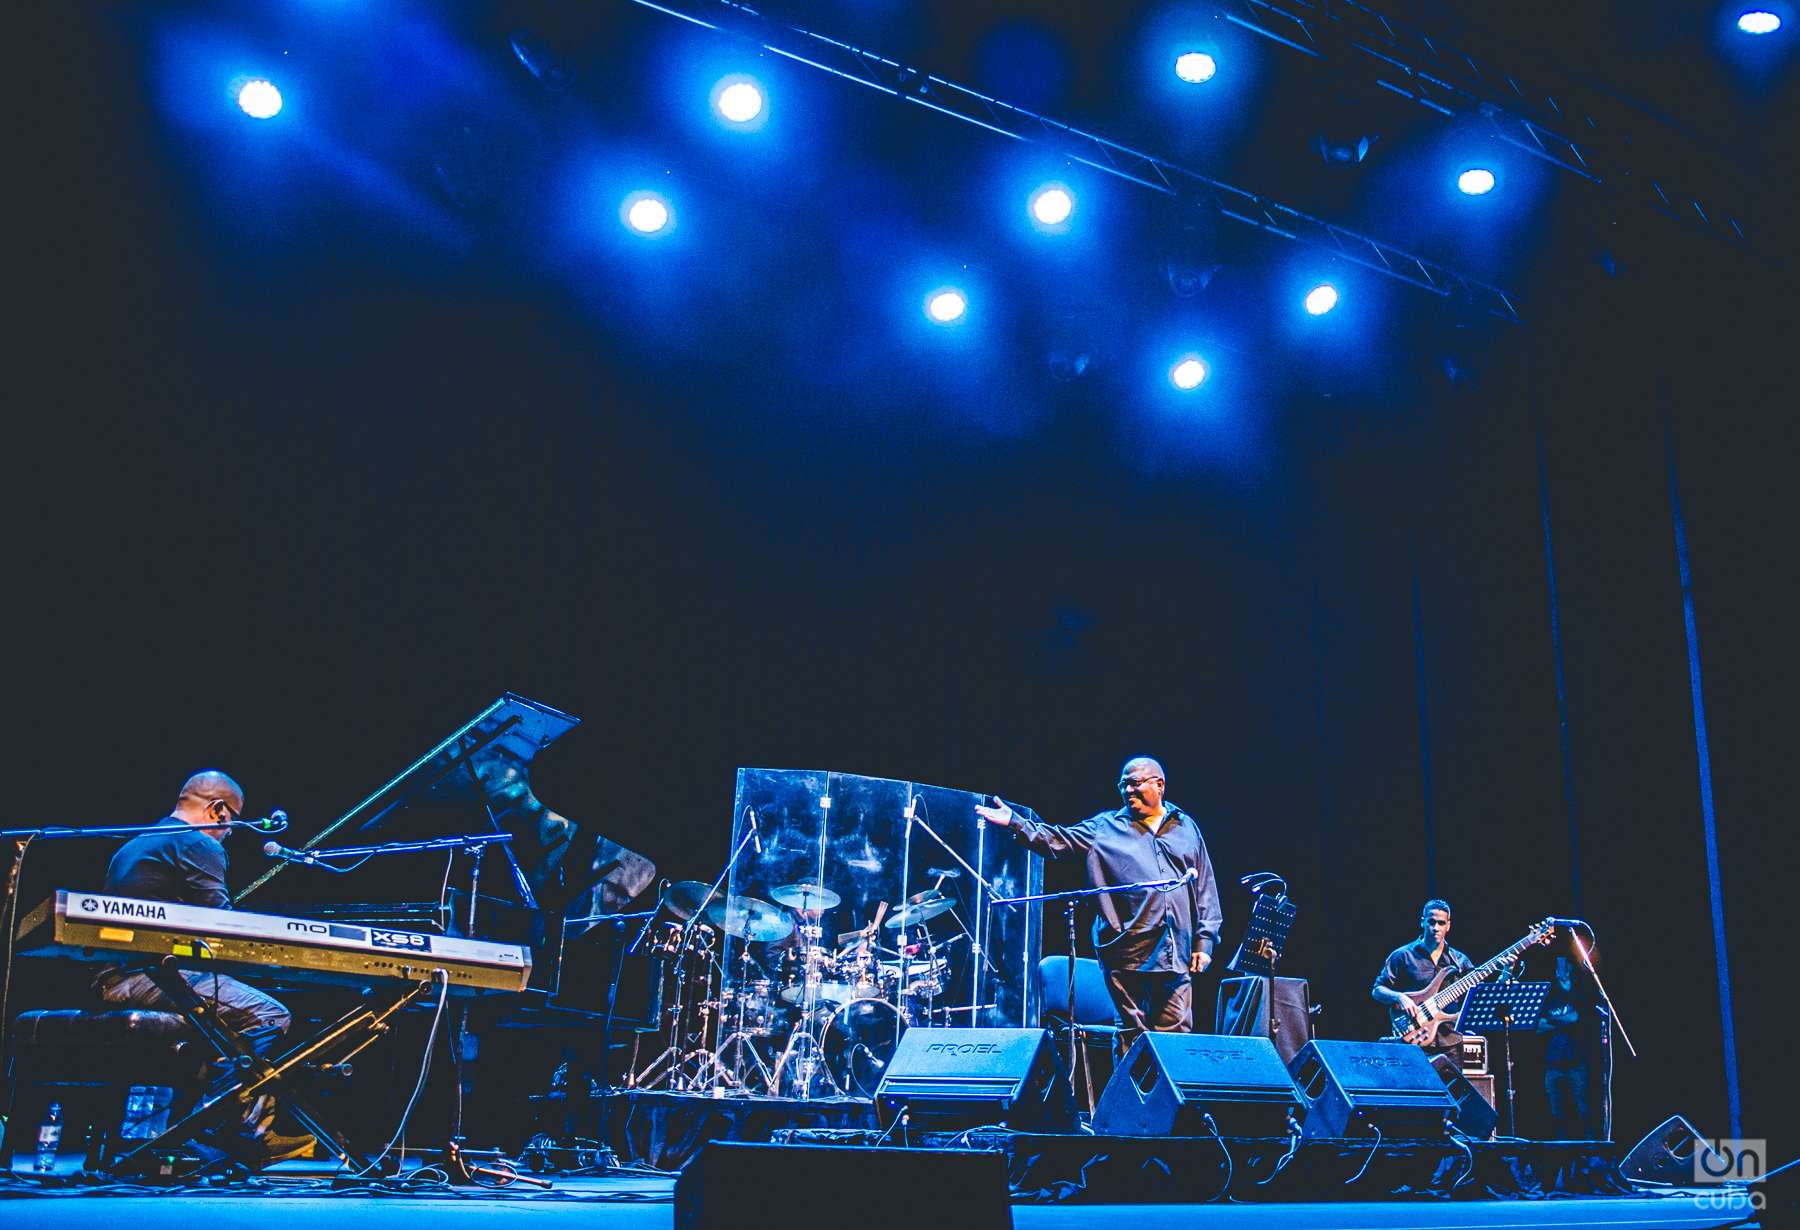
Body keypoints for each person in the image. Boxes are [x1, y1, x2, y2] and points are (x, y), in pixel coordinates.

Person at [94, 770, 311, 1165]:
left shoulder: (138, 842)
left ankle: (213, 1130)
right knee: (268, 1013)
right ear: (218, 811)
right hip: (146, 979)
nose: (229, 834)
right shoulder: (197, 843)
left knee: (227, 1018)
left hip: (116, 977)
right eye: (232, 823)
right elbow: (221, 925)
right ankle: (232, 1132)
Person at [976, 757, 1222, 1040]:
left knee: (1177, 1036)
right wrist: (1016, 823)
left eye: (1135, 783)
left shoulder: (1186, 826)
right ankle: (1128, 1087)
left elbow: (1205, 887)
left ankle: (1168, 1086)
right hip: (1127, 953)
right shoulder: (1104, 828)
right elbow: (1059, 839)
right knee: (1133, 1038)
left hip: (1174, 950)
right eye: (1123, 785)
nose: (1128, 790)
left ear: (1159, 785)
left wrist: (1204, 942)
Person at [1371, 898, 1474, 1049]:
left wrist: (1505, 972)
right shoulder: (1403, 955)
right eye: (1431, 922)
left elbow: (1481, 993)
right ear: (1422, 922)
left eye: (1441, 923)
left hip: (1451, 1042)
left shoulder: (1459, 960)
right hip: (1414, 1041)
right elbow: (1377, 990)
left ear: (1448, 926)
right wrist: (1399, 997)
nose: (1436, 928)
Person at [1538, 952, 1602, 1139]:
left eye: (1563, 965)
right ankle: (1562, 1154)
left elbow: (1576, 1017)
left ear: (1570, 968)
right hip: (1553, 1063)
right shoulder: (1550, 994)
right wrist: (1561, 1020)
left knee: (1583, 1109)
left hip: (1577, 1062)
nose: (1559, 970)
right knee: (1556, 1112)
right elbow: (1538, 1026)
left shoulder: (1580, 993)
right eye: (1557, 966)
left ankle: (1589, 1153)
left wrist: (1553, 1021)